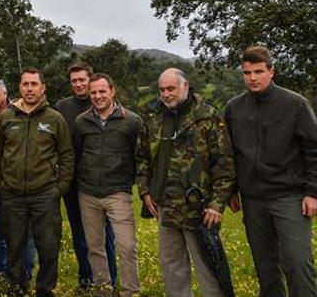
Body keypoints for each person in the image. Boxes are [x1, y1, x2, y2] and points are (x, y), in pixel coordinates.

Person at [224, 45, 317, 296]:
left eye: (258, 71)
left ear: (271, 71)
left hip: (289, 197)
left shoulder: (296, 104)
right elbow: (229, 154)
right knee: (266, 268)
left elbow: (313, 150)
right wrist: (232, 190)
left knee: (298, 263)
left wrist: (313, 192)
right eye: (246, 72)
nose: (252, 78)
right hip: (253, 199)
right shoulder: (234, 108)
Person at [136, 68, 235, 297]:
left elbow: (225, 164)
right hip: (165, 206)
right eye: (161, 90)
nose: (165, 94)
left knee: (209, 268)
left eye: (170, 88)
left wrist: (217, 205)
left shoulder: (208, 117)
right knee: (172, 267)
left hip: (198, 209)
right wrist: (145, 192)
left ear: (186, 86)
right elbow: (141, 159)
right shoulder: (155, 119)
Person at [0, 69, 73, 297]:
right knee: (14, 246)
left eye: (34, 84)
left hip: (45, 193)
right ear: (20, 87)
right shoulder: (7, 118)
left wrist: (60, 188)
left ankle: (45, 290)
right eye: (26, 84)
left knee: (48, 247)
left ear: (43, 87)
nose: (30, 88)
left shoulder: (54, 118)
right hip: (12, 194)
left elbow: (67, 155)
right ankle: (16, 288)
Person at [73, 73, 142, 297]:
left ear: (112, 91)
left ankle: (130, 291)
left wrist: (132, 183)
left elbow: (139, 157)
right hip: (88, 193)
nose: (97, 96)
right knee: (94, 247)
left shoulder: (131, 121)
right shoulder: (81, 121)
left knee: (127, 246)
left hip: (118, 192)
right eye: (93, 92)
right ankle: (102, 291)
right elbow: (78, 153)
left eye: (102, 91)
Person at [54, 63, 118, 291]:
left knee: (104, 235)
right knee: (80, 234)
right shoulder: (62, 107)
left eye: (82, 80)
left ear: (91, 80)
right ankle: (86, 279)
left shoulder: (100, 103)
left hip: (99, 182)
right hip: (71, 182)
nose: (79, 84)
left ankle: (110, 280)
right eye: (74, 81)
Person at [0, 78, 36, 289]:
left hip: (21, 189)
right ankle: (0, 279)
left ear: (5, 94)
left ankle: (24, 277)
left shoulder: (21, 114)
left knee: (25, 237)